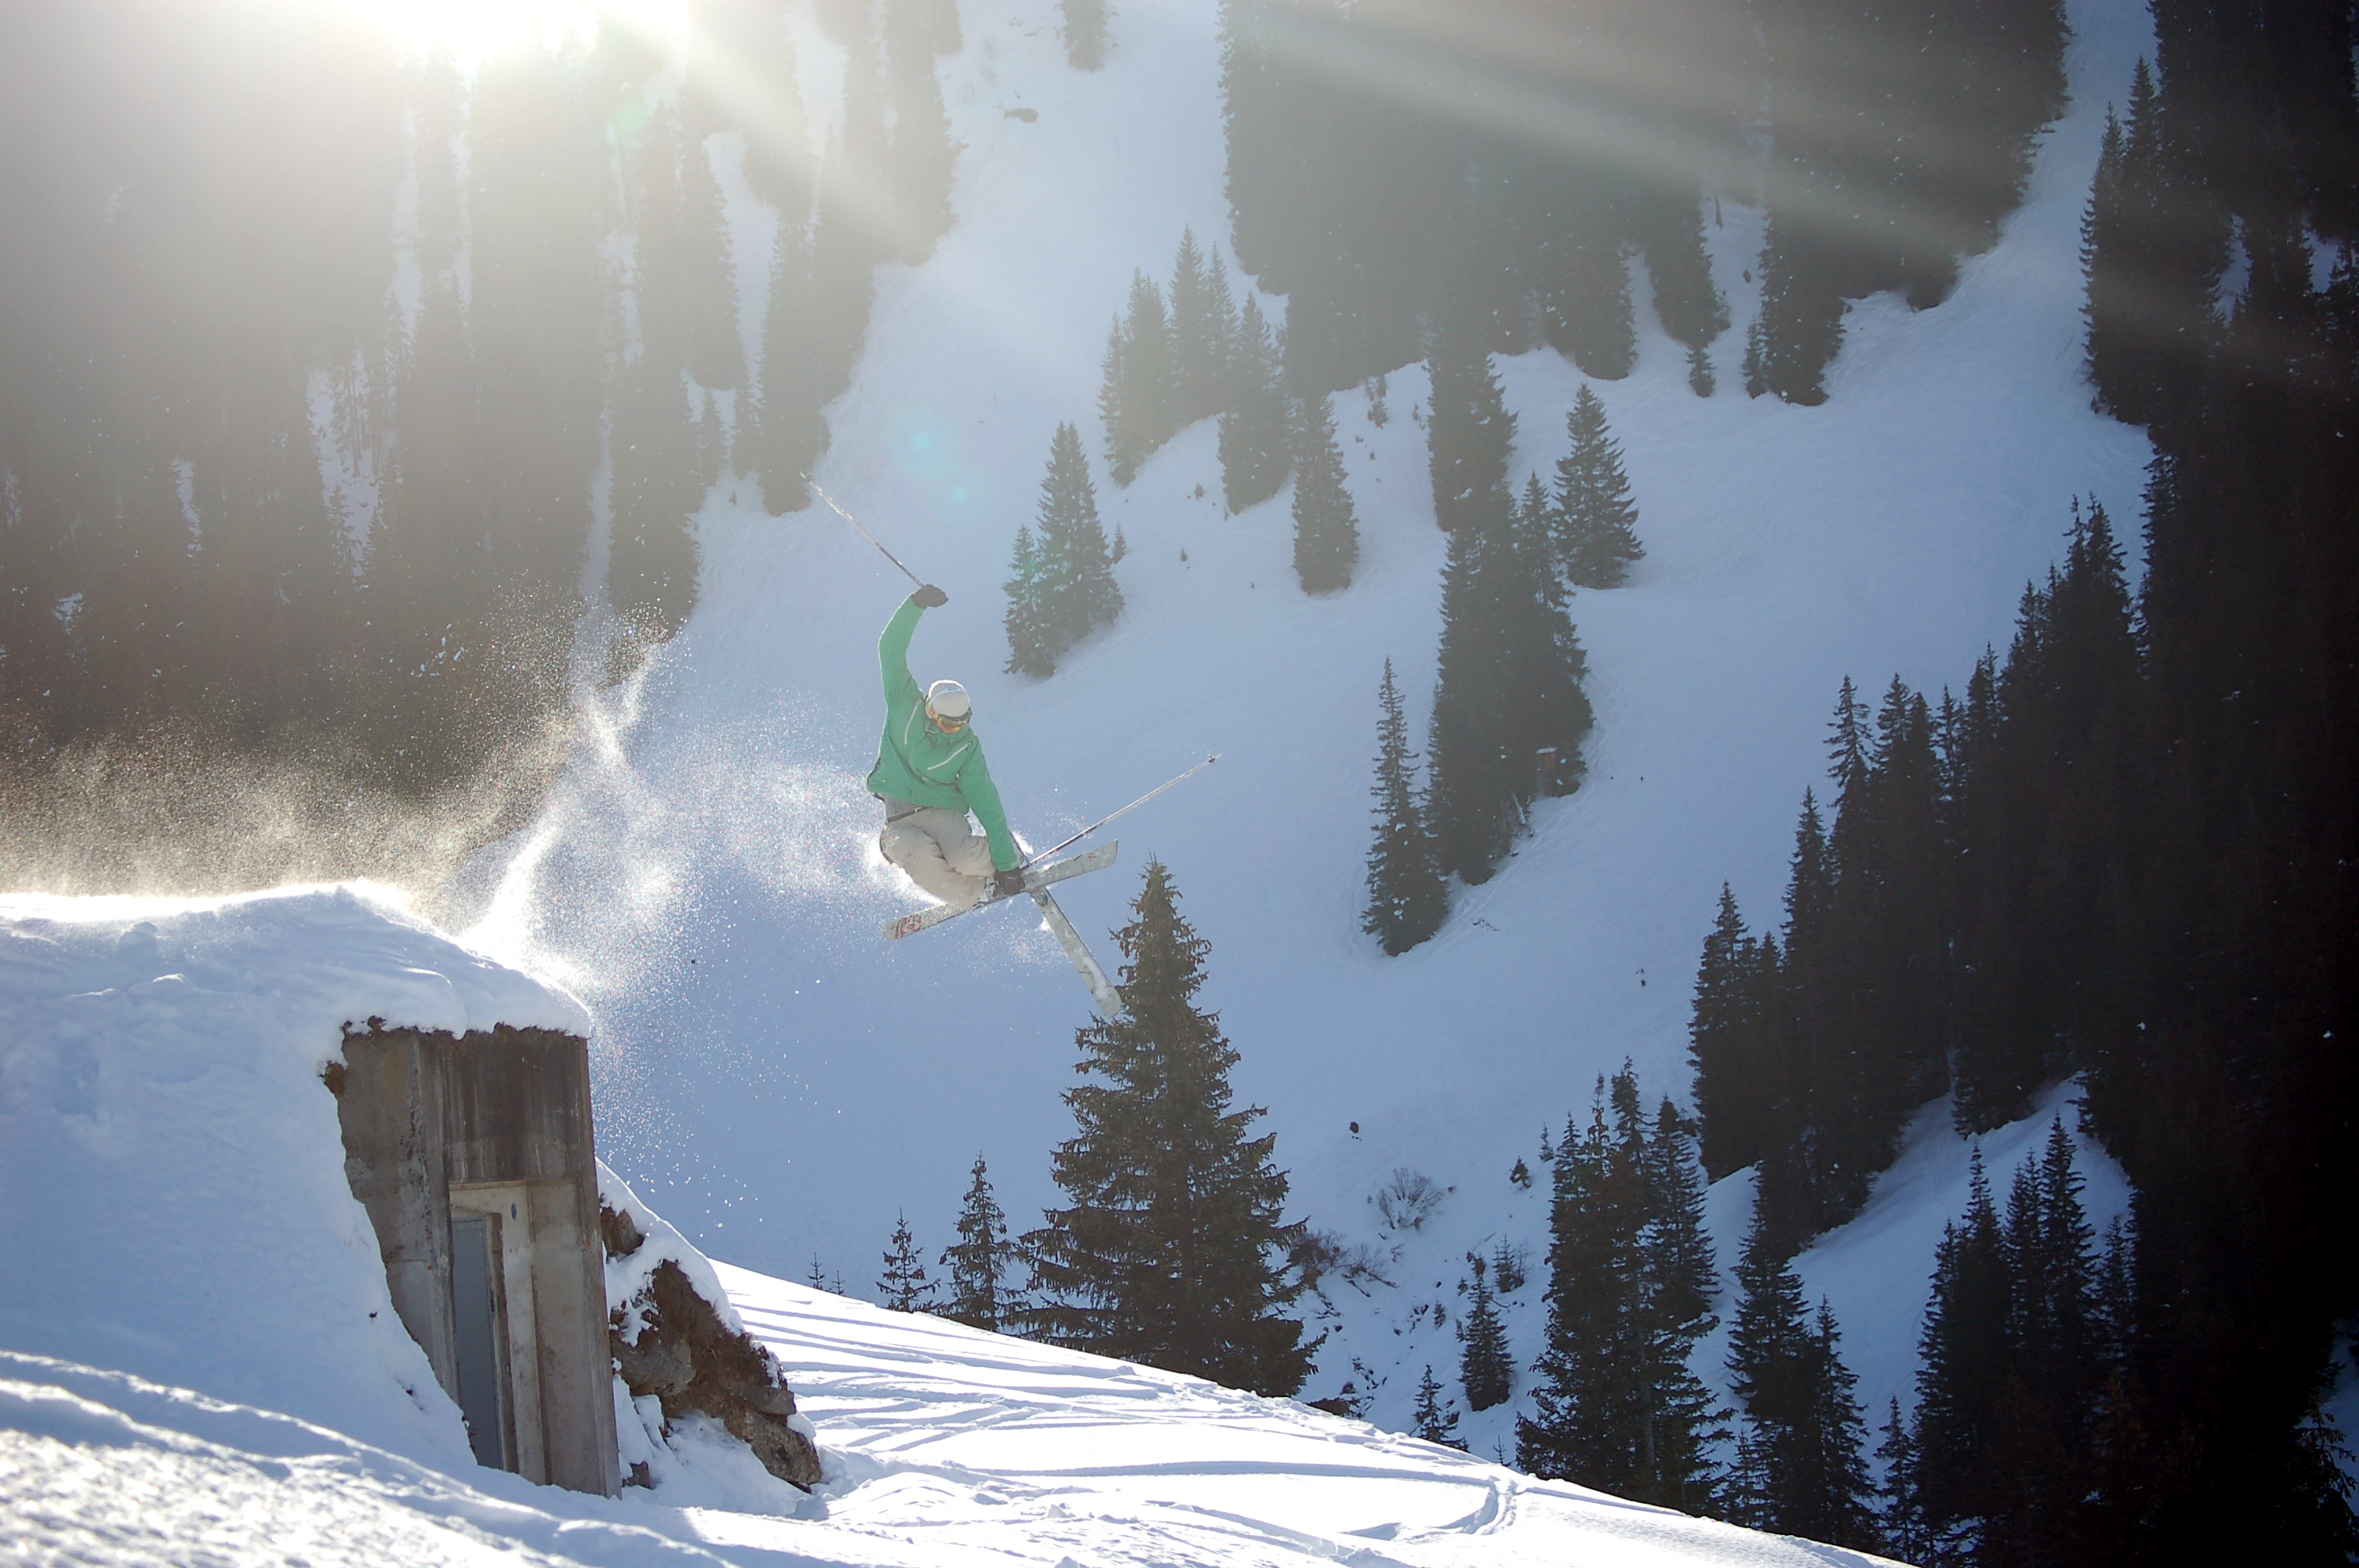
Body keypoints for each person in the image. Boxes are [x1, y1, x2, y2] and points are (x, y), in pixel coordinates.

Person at [867, 585, 1026, 911]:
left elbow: (986, 802)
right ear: (930, 710)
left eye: (961, 722)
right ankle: (974, 893)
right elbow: (889, 649)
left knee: (964, 857)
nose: (954, 730)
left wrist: (1008, 864)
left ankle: (1009, 859)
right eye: (947, 723)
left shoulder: (966, 747)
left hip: (943, 816)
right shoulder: (904, 705)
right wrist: (916, 605)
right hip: (899, 821)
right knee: (915, 852)